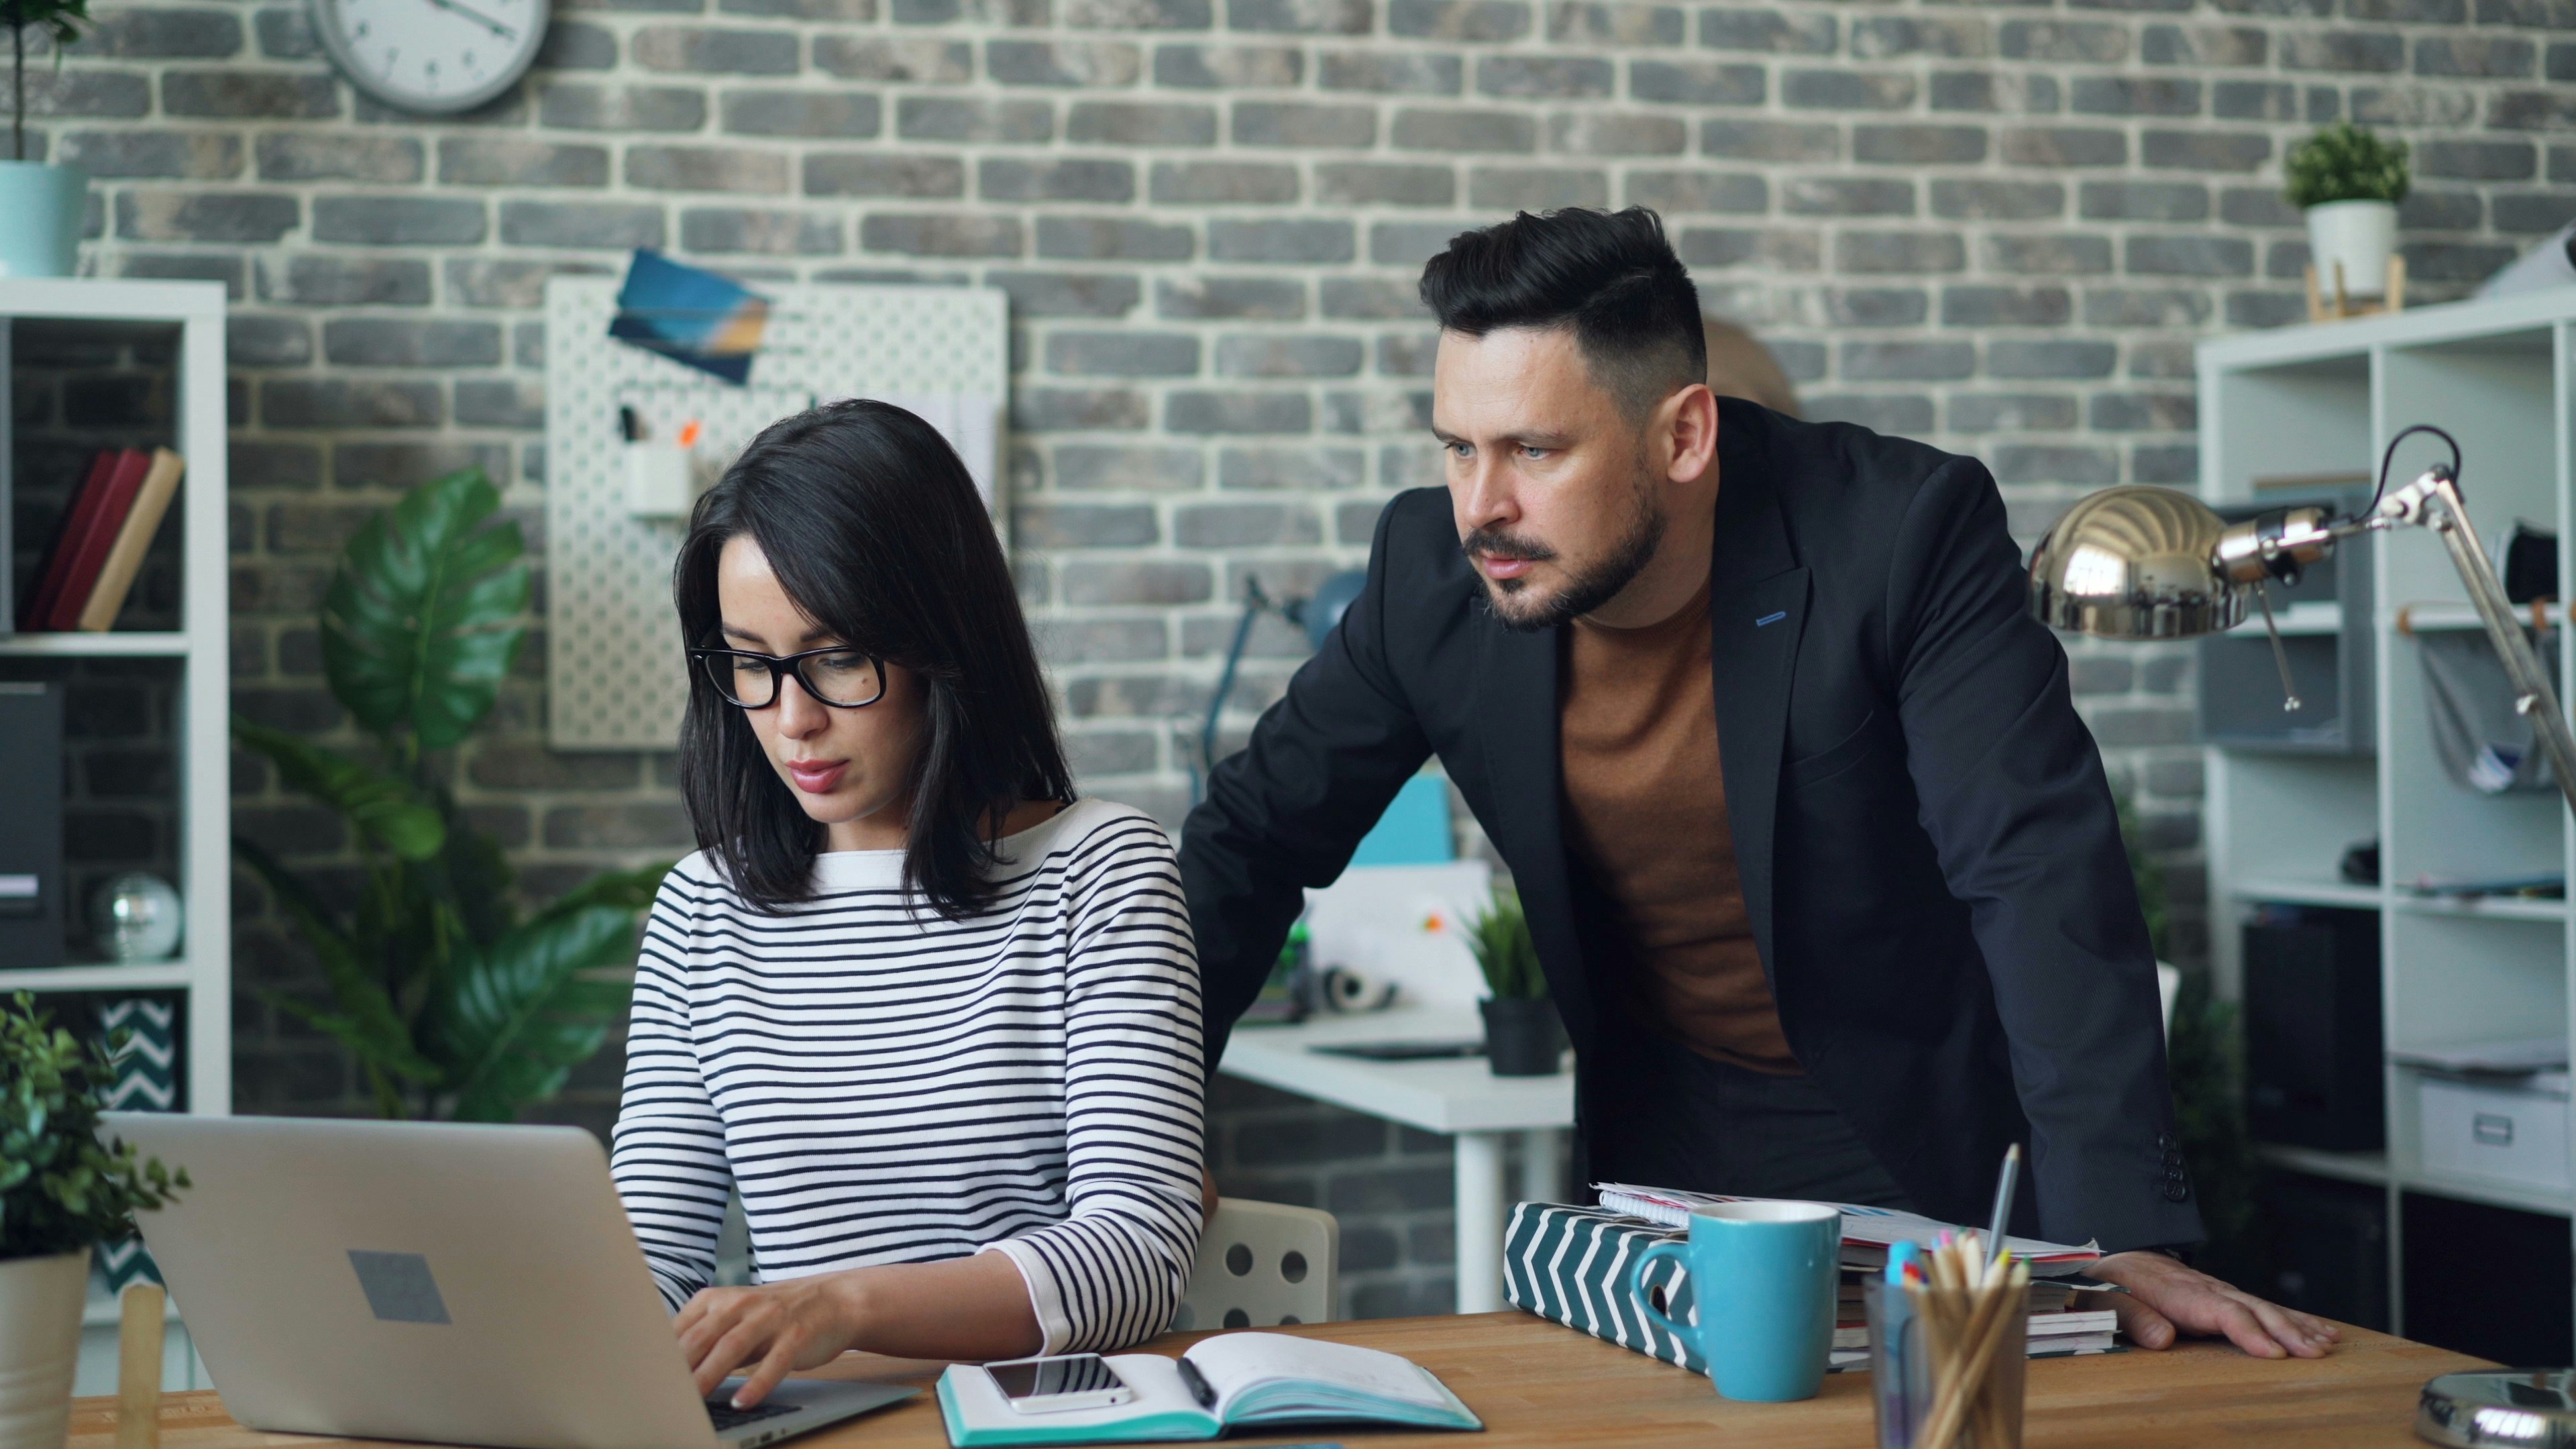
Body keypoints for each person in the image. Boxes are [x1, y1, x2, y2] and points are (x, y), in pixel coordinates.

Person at [1179, 207, 2335, 1360]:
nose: (1482, 506)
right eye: (1457, 448)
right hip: (1662, 1155)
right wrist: (1134, 1128)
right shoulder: (1426, 575)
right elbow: (1251, 838)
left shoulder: (1900, 534)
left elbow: (2038, 872)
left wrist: (2116, 1235)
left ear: (1685, 435)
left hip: (1923, 1142)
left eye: (1534, 451)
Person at [610, 400, 1204, 1409]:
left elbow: (1137, 1253)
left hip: (1029, 1424)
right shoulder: (703, 909)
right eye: (751, 663)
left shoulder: (1099, 872)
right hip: (800, 1427)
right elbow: (653, 1257)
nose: (792, 719)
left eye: (838, 658)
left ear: (944, 646)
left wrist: (843, 1306)